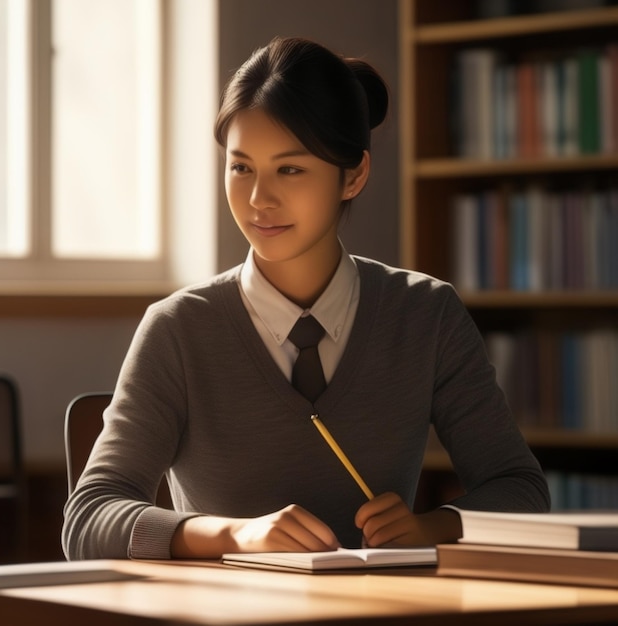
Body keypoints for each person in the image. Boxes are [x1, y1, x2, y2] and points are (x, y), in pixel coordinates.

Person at [62, 36, 550, 561]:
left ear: (354, 175)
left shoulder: (426, 314)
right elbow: (89, 519)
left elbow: (521, 489)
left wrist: (436, 525)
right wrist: (233, 535)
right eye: (240, 166)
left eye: (290, 169)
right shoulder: (178, 328)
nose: (257, 199)